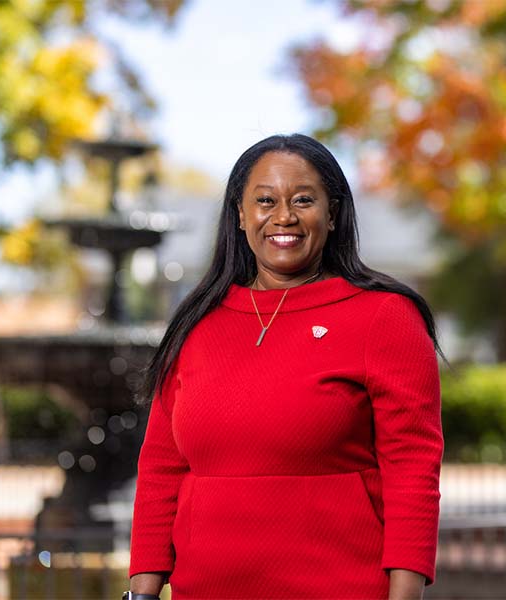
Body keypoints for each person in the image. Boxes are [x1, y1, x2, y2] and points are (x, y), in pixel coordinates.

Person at [125, 133, 445, 600]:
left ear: (332, 214)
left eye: (303, 200)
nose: (284, 217)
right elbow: (161, 468)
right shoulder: (195, 324)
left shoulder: (384, 316)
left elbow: (412, 469)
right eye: (265, 201)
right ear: (239, 213)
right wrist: (141, 593)